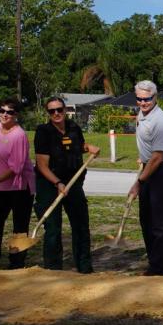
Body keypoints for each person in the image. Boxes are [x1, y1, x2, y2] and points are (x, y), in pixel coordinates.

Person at [33, 96, 100, 273]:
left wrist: (89, 147)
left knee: (81, 225)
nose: (56, 113)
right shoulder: (43, 132)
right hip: (49, 184)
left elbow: (78, 146)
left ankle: (84, 267)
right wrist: (58, 183)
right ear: (48, 113)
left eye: (59, 110)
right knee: (53, 229)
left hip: (73, 183)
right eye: (52, 111)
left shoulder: (73, 127)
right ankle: (53, 270)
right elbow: (41, 165)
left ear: (65, 110)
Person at [127, 80, 163, 277]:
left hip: (162, 171)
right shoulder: (142, 114)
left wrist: (139, 182)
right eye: (139, 99)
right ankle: (155, 263)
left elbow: (158, 157)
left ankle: (159, 269)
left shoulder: (161, 121)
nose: (142, 102)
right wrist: (143, 155)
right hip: (150, 165)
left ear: (155, 97)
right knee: (146, 220)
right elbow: (149, 150)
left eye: (146, 99)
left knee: (159, 224)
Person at [0, 97, 34, 270]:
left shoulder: (19, 136)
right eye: (1, 111)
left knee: (19, 227)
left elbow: (16, 168)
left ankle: (16, 264)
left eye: (9, 112)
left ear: (16, 115)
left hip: (19, 188)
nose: (4, 115)